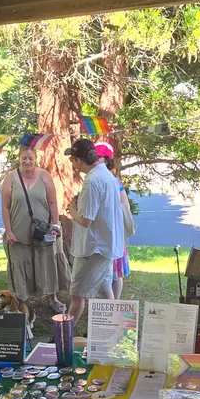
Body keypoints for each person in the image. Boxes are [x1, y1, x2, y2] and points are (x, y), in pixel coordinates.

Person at [63, 139, 125, 329]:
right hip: (106, 245)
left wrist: (72, 211)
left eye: (72, 159)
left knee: (77, 294)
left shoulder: (92, 181)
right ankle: (115, 331)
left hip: (93, 248)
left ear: (79, 161)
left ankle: (64, 335)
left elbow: (86, 220)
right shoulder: (107, 175)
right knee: (106, 290)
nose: (72, 164)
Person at [1, 147, 69, 314]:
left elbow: (53, 203)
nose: (27, 161)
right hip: (18, 234)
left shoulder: (44, 176)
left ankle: (53, 299)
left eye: (30, 158)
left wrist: (56, 225)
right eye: (24, 158)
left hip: (43, 232)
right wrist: (8, 231)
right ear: (19, 159)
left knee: (48, 262)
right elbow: (5, 207)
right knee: (20, 264)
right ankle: (20, 302)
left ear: (36, 159)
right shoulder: (10, 179)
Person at [94, 142, 133, 300]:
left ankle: (114, 303)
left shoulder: (113, 181)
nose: (95, 161)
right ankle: (109, 303)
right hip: (103, 233)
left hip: (114, 233)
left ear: (106, 160)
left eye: (99, 158)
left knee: (116, 271)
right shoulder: (97, 179)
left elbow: (124, 208)